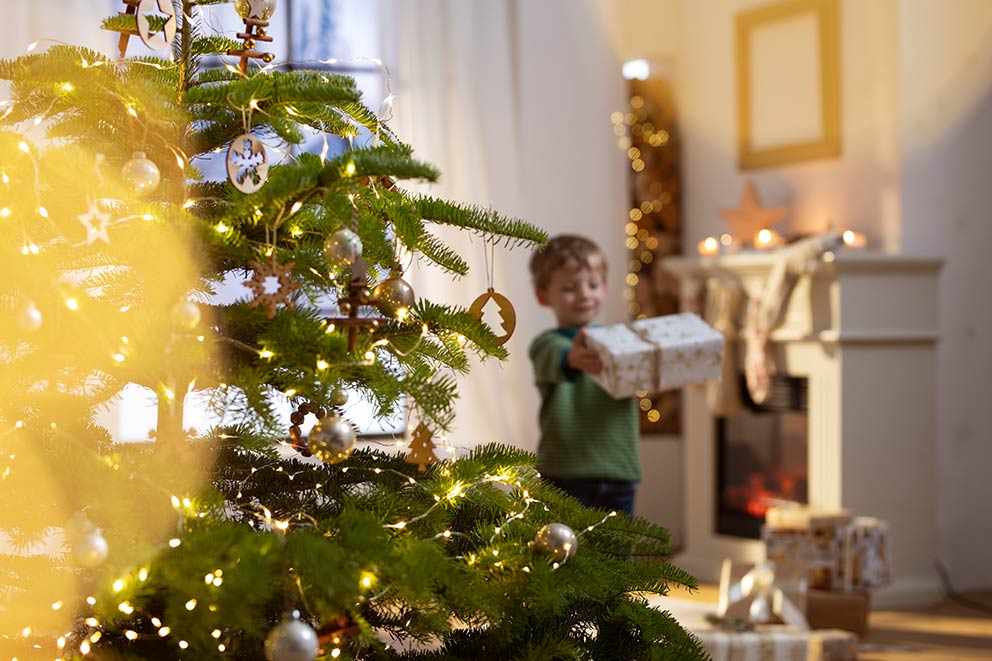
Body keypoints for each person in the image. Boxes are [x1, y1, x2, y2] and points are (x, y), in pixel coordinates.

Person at [528, 234, 640, 515]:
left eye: (593, 284)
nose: (584, 295)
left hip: (619, 472)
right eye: (569, 287)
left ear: (605, 287)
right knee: (564, 555)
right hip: (564, 473)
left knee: (616, 558)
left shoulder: (622, 342)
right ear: (543, 296)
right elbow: (558, 357)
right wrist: (574, 357)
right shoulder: (547, 344)